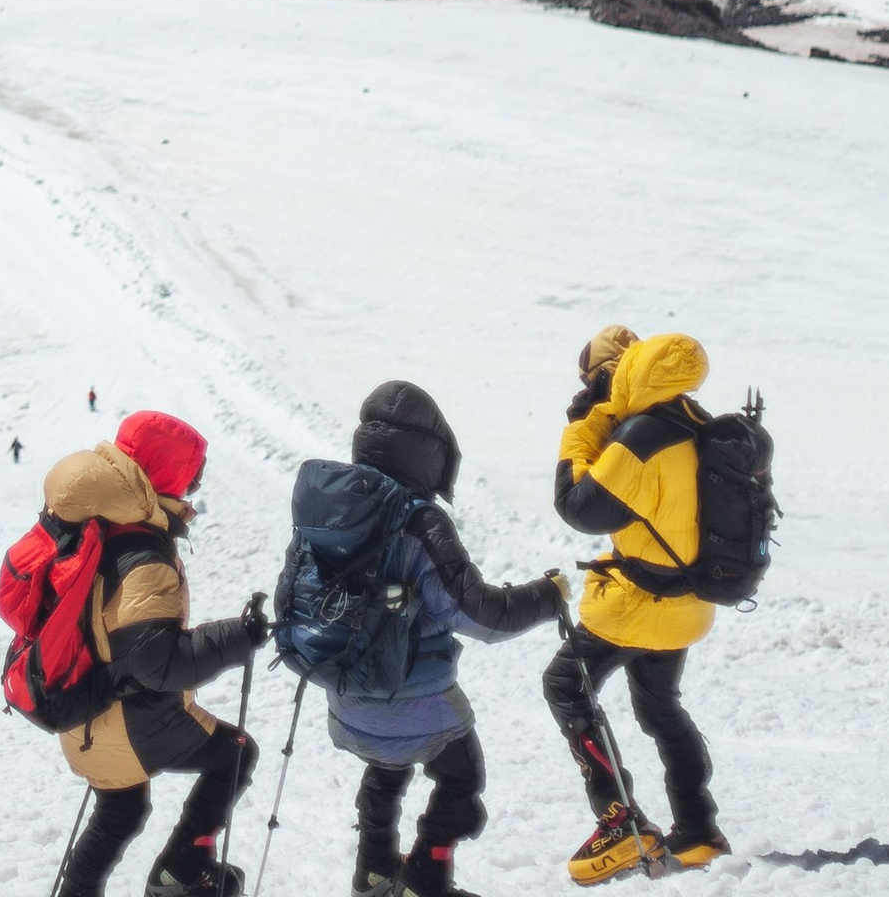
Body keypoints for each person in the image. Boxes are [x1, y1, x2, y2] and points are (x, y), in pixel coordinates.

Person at [308, 383, 562, 897]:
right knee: (460, 780)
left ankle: (374, 873)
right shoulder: (421, 522)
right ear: (429, 454)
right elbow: (484, 616)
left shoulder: (331, 507)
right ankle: (427, 878)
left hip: (346, 697)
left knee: (386, 768)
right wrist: (547, 595)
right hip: (417, 703)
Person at [41, 410, 264, 897]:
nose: (193, 489)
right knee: (235, 755)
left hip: (83, 717)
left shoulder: (90, 529)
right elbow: (159, 664)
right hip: (133, 722)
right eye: (191, 476)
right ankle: (184, 871)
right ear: (166, 476)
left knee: (121, 809)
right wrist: (240, 637)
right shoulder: (142, 555)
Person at [541, 330, 726, 882]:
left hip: (638, 603)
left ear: (613, 375)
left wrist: (585, 427)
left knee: (563, 685)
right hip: (689, 601)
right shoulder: (695, 419)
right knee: (661, 710)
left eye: (593, 380)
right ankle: (698, 832)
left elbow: (579, 507)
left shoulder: (641, 435)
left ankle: (619, 822)